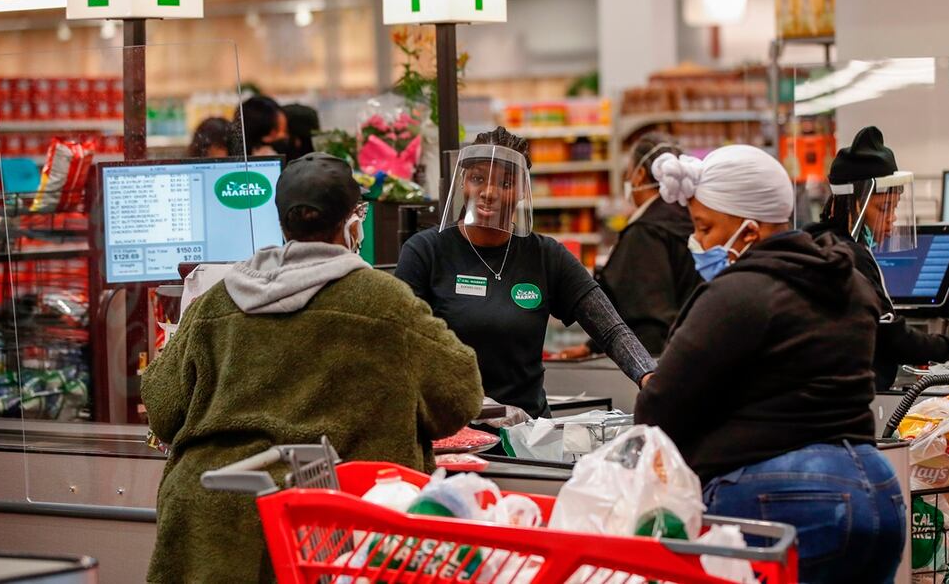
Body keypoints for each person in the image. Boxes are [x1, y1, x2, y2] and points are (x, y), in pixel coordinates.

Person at [142, 152, 483, 583]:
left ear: (282, 221)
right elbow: (460, 396)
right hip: (331, 525)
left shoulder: (219, 298)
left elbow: (163, 407)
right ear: (351, 222)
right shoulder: (385, 303)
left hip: (212, 515)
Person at [635, 145, 905, 584]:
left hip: (782, 502)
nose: (698, 243)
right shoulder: (851, 283)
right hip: (880, 491)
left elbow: (659, 409)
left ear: (749, 231)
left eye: (705, 227)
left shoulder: (737, 294)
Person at [395, 127, 656, 419]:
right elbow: (397, 341)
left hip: (525, 433)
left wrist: (648, 375)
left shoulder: (546, 256)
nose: (489, 193)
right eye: (477, 179)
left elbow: (610, 329)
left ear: (522, 191)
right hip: (449, 431)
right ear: (462, 182)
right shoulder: (426, 251)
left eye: (505, 183)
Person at [806, 126, 949, 390]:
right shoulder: (848, 257)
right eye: (884, 208)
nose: (892, 219)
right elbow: (893, 339)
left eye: (894, 208)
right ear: (854, 204)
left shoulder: (814, 240)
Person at [560, 135, 700, 358]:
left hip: (658, 362)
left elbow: (647, 319)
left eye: (628, 171)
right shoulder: (691, 219)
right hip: (692, 350)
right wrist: (592, 347)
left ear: (640, 176)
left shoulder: (647, 232)